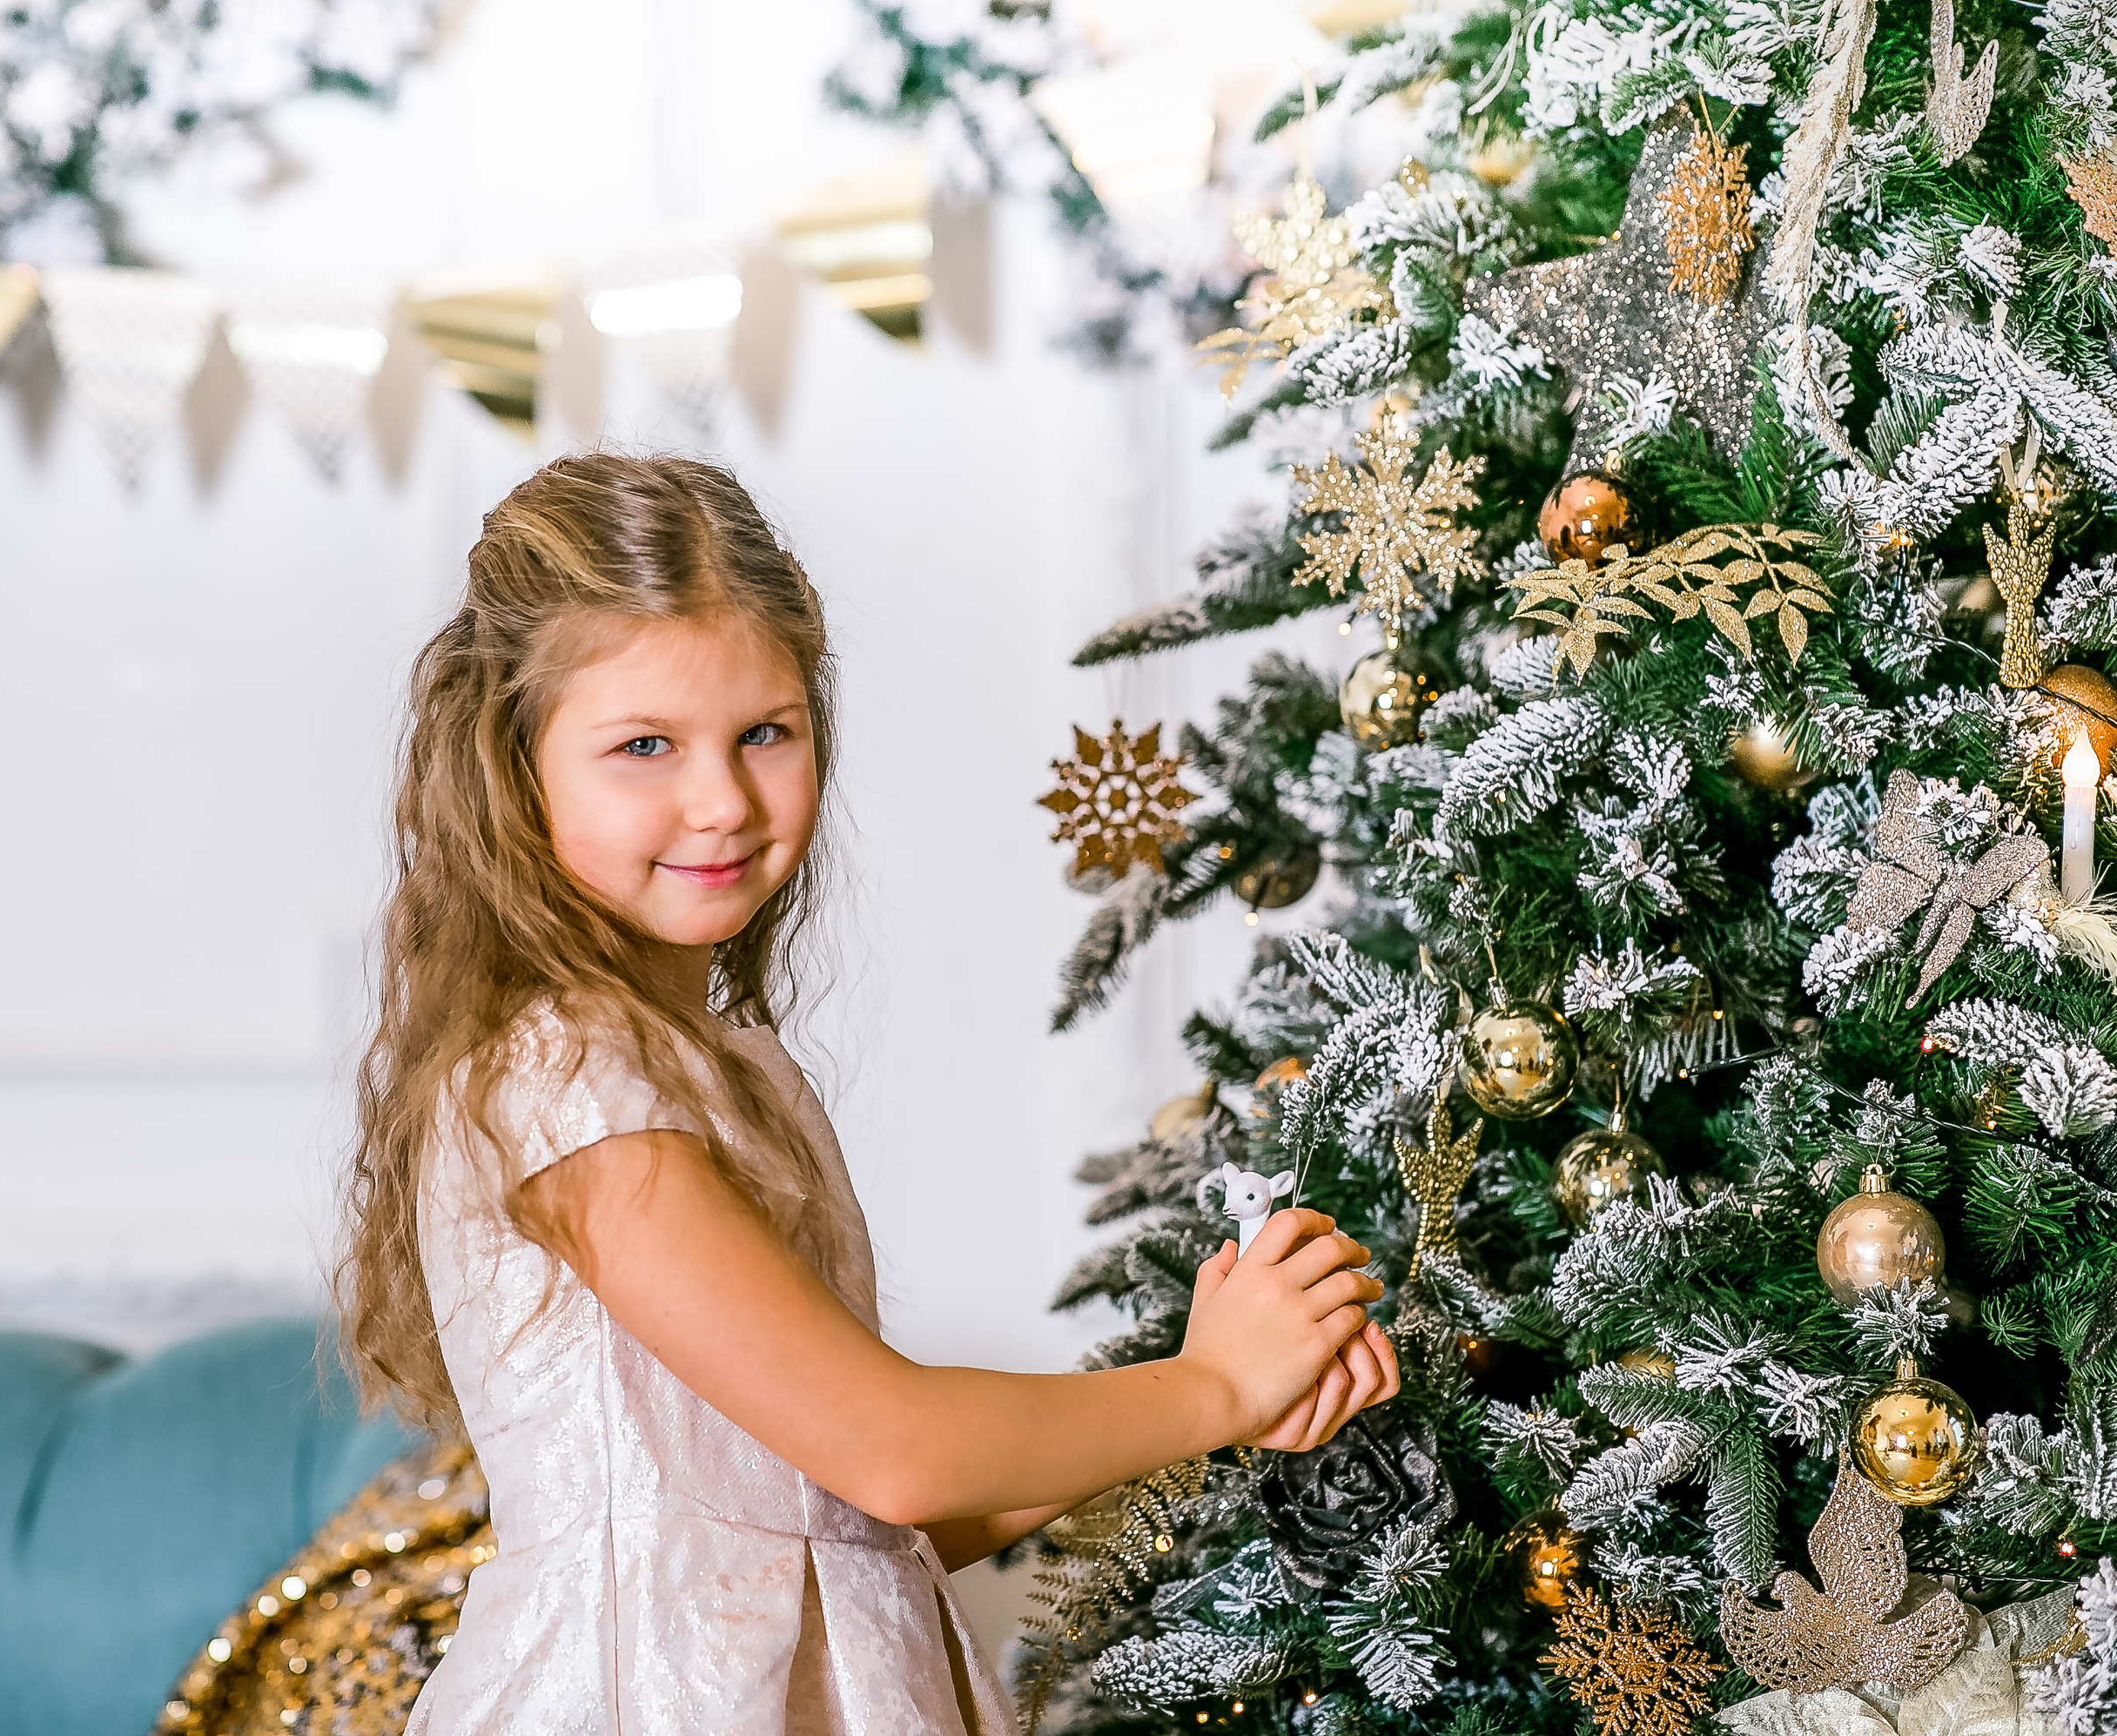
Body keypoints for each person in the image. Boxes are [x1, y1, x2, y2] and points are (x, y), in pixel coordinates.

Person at [333, 452, 1399, 1735]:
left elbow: (868, 1518)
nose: (721, 799)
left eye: (764, 733)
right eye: (643, 746)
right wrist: (1213, 1386)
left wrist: (1209, 1389)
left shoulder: (735, 1073)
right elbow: (895, 1447)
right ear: (513, 771)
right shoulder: (561, 1080)